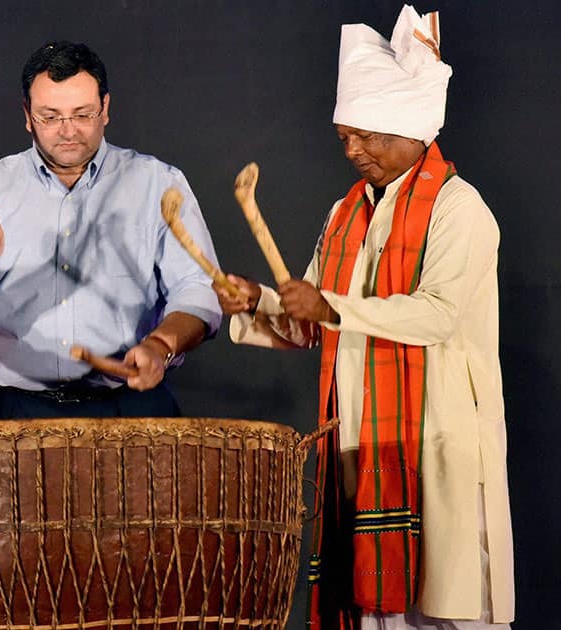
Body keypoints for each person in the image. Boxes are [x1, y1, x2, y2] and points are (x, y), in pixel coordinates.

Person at [217, 7, 513, 629]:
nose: (352, 150)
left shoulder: (461, 211)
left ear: (410, 130)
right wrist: (258, 303)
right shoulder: (345, 213)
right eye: (344, 136)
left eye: (367, 136)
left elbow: (434, 317)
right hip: (360, 449)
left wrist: (327, 305)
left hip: (436, 451)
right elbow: (312, 323)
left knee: (450, 604)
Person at [0, 41, 221, 420]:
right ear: (27, 115)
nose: (68, 131)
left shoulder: (158, 184)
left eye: (83, 114)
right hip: (11, 410)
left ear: (105, 108)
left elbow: (199, 289)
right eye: (50, 116)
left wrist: (161, 345)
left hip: (131, 407)